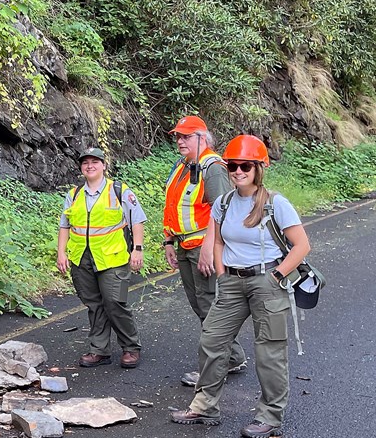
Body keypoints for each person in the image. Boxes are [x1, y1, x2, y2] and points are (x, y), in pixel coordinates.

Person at [170, 135, 310, 438]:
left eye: (245, 165)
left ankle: (270, 416)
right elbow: (218, 240)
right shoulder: (224, 202)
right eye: (232, 166)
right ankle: (205, 405)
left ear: (259, 168)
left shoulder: (276, 203)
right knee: (211, 340)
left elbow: (301, 245)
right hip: (232, 282)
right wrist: (222, 273)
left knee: (269, 352)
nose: (237, 171)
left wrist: (276, 276)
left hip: (267, 282)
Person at [162, 115, 248, 386]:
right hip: (185, 246)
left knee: (210, 305)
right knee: (202, 305)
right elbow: (175, 207)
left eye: (186, 136)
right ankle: (232, 357)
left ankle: (215, 366)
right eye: (178, 136)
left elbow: (223, 211)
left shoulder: (212, 168)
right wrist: (168, 242)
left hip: (202, 247)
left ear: (202, 138)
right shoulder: (184, 165)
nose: (180, 141)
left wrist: (211, 249)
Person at [57, 147, 147, 369]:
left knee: (116, 302)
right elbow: (64, 225)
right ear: (81, 167)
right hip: (81, 259)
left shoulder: (119, 191)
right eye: (85, 162)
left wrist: (137, 249)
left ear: (104, 165)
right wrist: (61, 253)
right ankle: (99, 350)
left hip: (114, 259)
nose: (90, 165)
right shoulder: (74, 194)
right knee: (94, 305)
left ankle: (131, 347)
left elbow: (137, 220)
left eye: (95, 161)